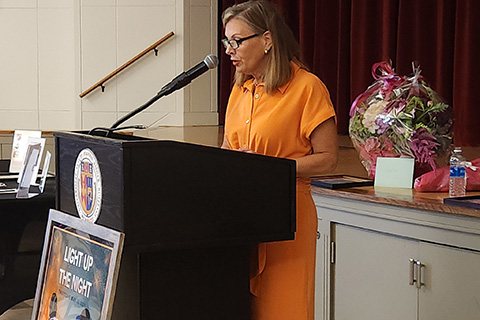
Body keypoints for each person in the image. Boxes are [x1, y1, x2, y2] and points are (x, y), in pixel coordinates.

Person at [221, 1, 338, 319]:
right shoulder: (240, 91)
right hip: (242, 219)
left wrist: (268, 169)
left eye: (237, 41)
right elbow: (227, 154)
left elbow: (328, 160)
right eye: (226, 41)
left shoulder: (306, 88)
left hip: (289, 219)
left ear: (268, 40)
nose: (230, 50)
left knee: (284, 309)